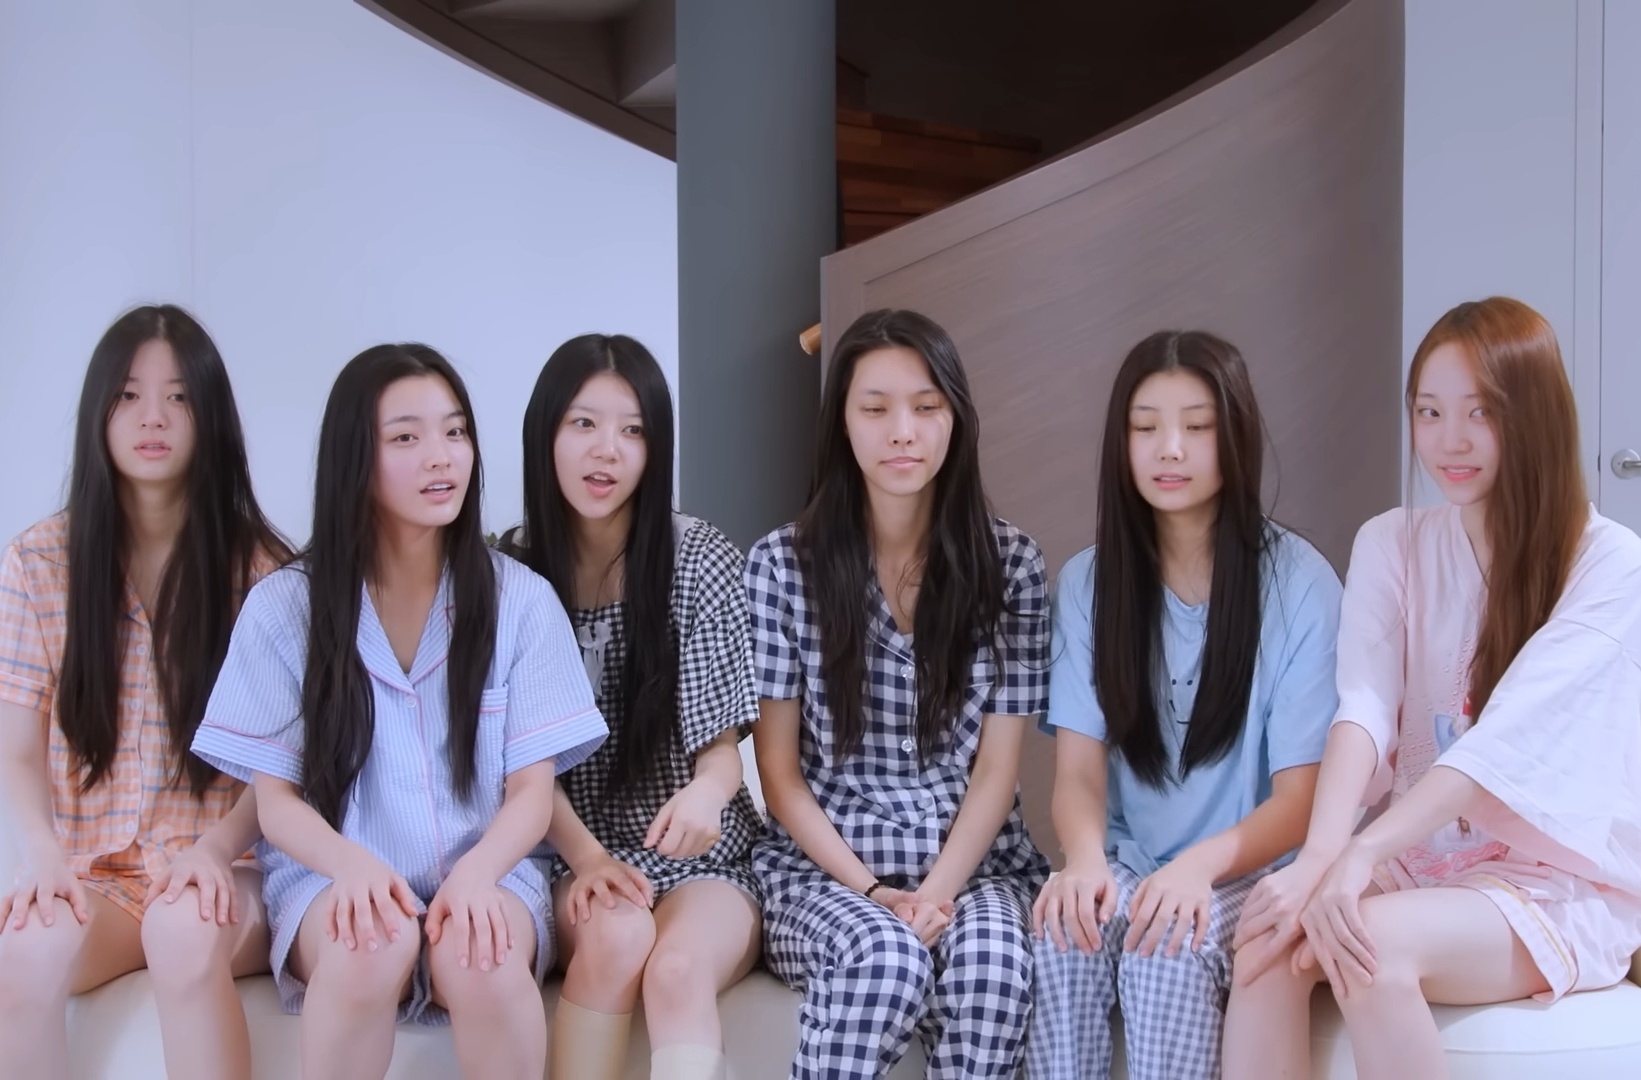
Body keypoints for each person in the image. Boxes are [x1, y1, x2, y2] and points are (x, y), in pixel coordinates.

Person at [1224, 297, 1641, 1080]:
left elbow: (1501, 745)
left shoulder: (1607, 561)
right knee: (1262, 948)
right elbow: (1364, 705)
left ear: (1535, 415)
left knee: (1369, 948)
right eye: (1429, 411)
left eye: (1481, 412)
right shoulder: (1391, 541)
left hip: (1552, 878)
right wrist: (1321, 856)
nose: (1449, 439)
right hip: (1421, 859)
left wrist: (1364, 850)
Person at [192, 343, 606, 1080]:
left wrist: (478, 875)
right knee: (365, 950)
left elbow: (531, 793)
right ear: (355, 458)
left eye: (455, 432)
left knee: (483, 957)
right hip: (331, 874)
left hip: (491, 868)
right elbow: (276, 803)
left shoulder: (520, 601)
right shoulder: (284, 607)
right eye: (406, 437)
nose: (441, 457)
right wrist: (347, 866)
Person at [1025, 330, 1341, 1080]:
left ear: (1235, 438)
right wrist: (1083, 862)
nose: (1170, 449)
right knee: (1060, 936)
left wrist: (1197, 869)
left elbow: (1300, 802)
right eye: (1146, 428)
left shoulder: (1301, 584)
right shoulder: (1087, 584)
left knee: (1165, 948)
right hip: (1133, 862)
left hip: (1255, 874)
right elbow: (1077, 774)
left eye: (1197, 427)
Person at [745, 308, 1050, 1079]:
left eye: (925, 406)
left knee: (991, 970)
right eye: (875, 409)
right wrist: (877, 892)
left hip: (976, 873)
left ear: (955, 418)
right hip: (823, 877)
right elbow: (778, 776)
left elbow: (996, 773)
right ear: (842, 424)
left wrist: (933, 896)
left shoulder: (1011, 566)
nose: (902, 432)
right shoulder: (780, 567)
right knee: (886, 961)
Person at [0, 304, 290, 1080]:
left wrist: (213, 851)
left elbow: (283, 767)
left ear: (210, 415)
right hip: (97, 874)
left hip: (231, 871)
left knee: (181, 931)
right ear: (99, 410)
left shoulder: (266, 574)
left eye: (178, 397)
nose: (152, 417)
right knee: (21, 952)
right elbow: (17, 752)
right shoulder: (38, 563)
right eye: (128, 395)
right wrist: (41, 857)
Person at [501, 334, 762, 1080]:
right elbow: (523, 766)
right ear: (545, 433)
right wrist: (588, 859)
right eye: (583, 423)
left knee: (676, 971)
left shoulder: (698, 556)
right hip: (568, 854)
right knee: (615, 934)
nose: (606, 450)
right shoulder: (510, 571)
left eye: (633, 430)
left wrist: (708, 794)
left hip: (701, 859)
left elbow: (720, 750)